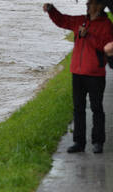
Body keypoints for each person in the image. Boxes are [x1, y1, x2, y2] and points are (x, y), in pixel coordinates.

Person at [43, 0, 113, 153]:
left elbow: (106, 47)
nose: (87, 4)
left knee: (96, 108)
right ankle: (79, 143)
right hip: (77, 73)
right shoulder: (80, 20)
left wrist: (89, 36)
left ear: (100, 6)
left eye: (91, 3)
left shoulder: (106, 24)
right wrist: (51, 10)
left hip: (95, 74)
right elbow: (63, 20)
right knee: (78, 109)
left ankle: (98, 142)